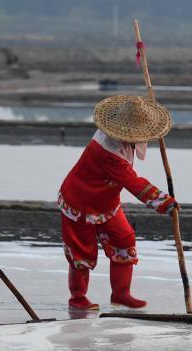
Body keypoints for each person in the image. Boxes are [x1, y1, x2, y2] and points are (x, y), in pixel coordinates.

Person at [58, 95, 179, 312]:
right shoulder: (108, 152)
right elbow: (132, 181)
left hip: (106, 201)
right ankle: (77, 299)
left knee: (123, 237)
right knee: (82, 252)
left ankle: (121, 294)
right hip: (80, 202)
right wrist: (163, 202)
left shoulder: (122, 133)